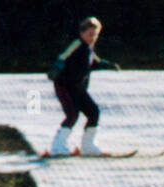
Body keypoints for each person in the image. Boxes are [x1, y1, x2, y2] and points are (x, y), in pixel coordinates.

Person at [47, 16, 120, 157]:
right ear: (82, 33)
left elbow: (95, 62)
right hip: (65, 86)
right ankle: (58, 147)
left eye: (96, 35)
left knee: (93, 112)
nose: (93, 37)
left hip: (78, 87)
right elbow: (63, 56)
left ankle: (88, 146)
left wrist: (108, 65)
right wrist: (57, 68)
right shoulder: (77, 44)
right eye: (90, 34)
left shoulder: (89, 49)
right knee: (72, 114)